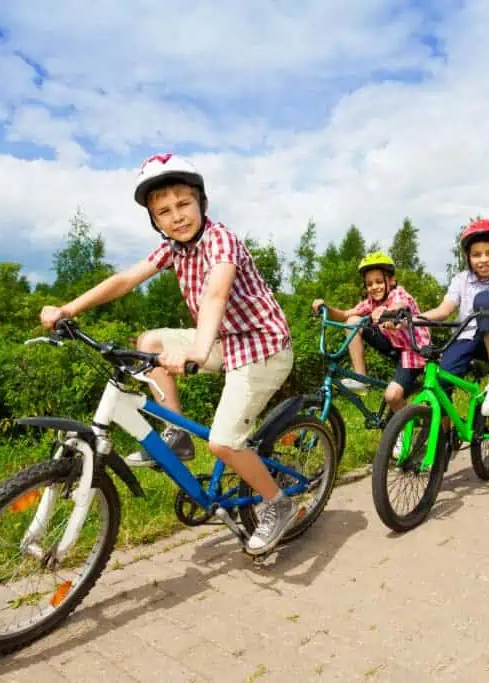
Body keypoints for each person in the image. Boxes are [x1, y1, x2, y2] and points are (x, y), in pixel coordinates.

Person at [38, 153, 297, 555]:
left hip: (262, 346)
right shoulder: (173, 249)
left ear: (201, 203)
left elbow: (216, 295)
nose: (177, 217)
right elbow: (126, 279)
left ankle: (278, 504)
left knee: (223, 443)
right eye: (164, 211)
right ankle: (177, 436)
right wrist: (68, 309)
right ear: (155, 220)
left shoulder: (220, 240)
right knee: (150, 343)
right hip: (225, 340)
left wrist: (197, 350)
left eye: (183, 204)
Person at [419, 218, 489, 417]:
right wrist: (410, 318)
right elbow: (443, 310)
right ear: (467, 257)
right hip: (467, 339)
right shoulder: (460, 280)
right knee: (441, 381)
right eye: (476, 255)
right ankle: (443, 434)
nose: (483, 259)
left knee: (484, 299)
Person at [311, 252, 430, 413]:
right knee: (352, 321)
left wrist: (387, 312)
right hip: (394, 346)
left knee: (392, 396)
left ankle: (418, 418)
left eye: (379, 282)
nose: (374, 287)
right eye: (369, 284)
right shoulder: (371, 302)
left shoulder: (398, 294)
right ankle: (361, 380)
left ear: (391, 280)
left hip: (414, 351)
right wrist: (325, 307)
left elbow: (400, 305)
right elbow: (344, 314)